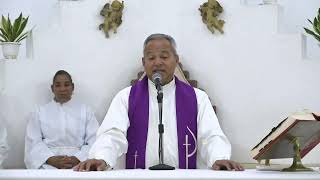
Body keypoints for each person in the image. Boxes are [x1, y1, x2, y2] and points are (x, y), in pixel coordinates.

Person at [74, 34, 244, 171]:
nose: (157, 62)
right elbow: (112, 134)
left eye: (164, 56)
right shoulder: (125, 97)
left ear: (176, 60)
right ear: (144, 62)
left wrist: (218, 157)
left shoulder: (197, 98)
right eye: (151, 57)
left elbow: (210, 136)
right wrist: (101, 157)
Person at [24, 70, 99, 169]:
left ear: (73, 87)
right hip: (47, 166)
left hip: (79, 165)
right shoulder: (39, 112)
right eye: (58, 85)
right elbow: (33, 142)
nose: (62, 89)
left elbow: (94, 140)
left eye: (66, 85)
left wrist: (78, 158)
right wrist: (50, 159)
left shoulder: (85, 111)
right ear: (52, 88)